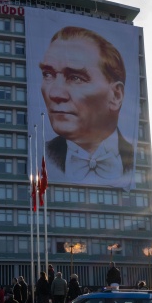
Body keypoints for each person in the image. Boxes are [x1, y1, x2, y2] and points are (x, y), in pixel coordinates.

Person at [39, 26, 134, 188]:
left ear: (116, 95)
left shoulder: (139, 158)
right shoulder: (40, 155)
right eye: (48, 74)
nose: (54, 93)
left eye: (76, 78)